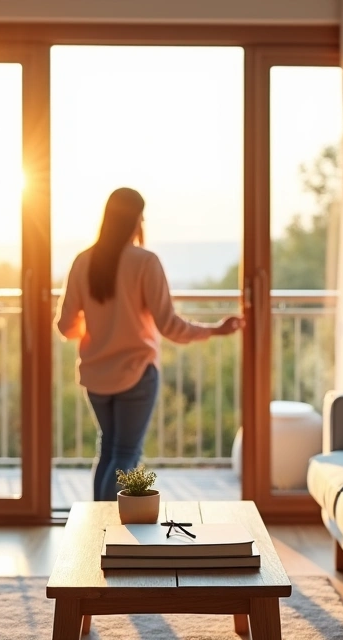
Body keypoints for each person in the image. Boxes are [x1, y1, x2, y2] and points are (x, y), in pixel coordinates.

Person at [56, 187, 243, 501]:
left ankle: (95, 531)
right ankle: (109, 533)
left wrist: (99, 325)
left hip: (96, 376)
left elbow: (66, 326)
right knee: (125, 455)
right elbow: (169, 326)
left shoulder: (83, 261)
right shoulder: (145, 262)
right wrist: (214, 330)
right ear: (136, 220)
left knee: (109, 450)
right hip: (136, 373)